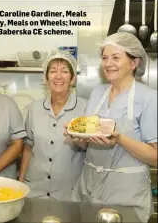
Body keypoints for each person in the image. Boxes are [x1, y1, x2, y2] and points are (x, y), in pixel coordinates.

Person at [65, 32, 157, 223]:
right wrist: (78, 137)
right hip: (88, 187)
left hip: (125, 192)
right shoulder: (97, 93)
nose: (108, 63)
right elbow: (87, 145)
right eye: (105, 58)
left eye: (116, 57)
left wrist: (120, 139)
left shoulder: (148, 98)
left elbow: (156, 157)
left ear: (134, 63)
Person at [18, 50, 87, 201]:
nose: (58, 76)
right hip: (35, 190)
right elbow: (28, 148)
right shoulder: (34, 108)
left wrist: (80, 140)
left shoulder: (85, 109)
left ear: (73, 78)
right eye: (53, 71)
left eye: (65, 71)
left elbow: (91, 151)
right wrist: (21, 181)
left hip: (69, 193)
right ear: (45, 78)